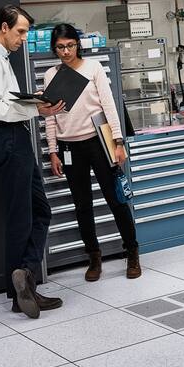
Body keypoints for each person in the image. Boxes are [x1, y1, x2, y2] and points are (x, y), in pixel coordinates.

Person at [0, 5, 66, 319]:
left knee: (39, 212)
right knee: (20, 218)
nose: (23, 38)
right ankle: (19, 291)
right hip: (6, 138)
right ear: (3, 27)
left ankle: (25, 280)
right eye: (20, 31)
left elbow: (5, 100)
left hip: (15, 138)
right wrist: (37, 110)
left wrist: (32, 99)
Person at [44, 23, 141, 281]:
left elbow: (109, 106)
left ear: (78, 44)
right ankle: (94, 257)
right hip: (68, 147)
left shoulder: (93, 68)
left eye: (70, 45)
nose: (66, 51)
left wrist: (118, 142)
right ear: (54, 49)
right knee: (82, 206)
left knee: (116, 200)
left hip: (98, 142)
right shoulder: (51, 75)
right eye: (60, 47)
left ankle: (132, 252)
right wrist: (53, 151)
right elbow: (50, 118)